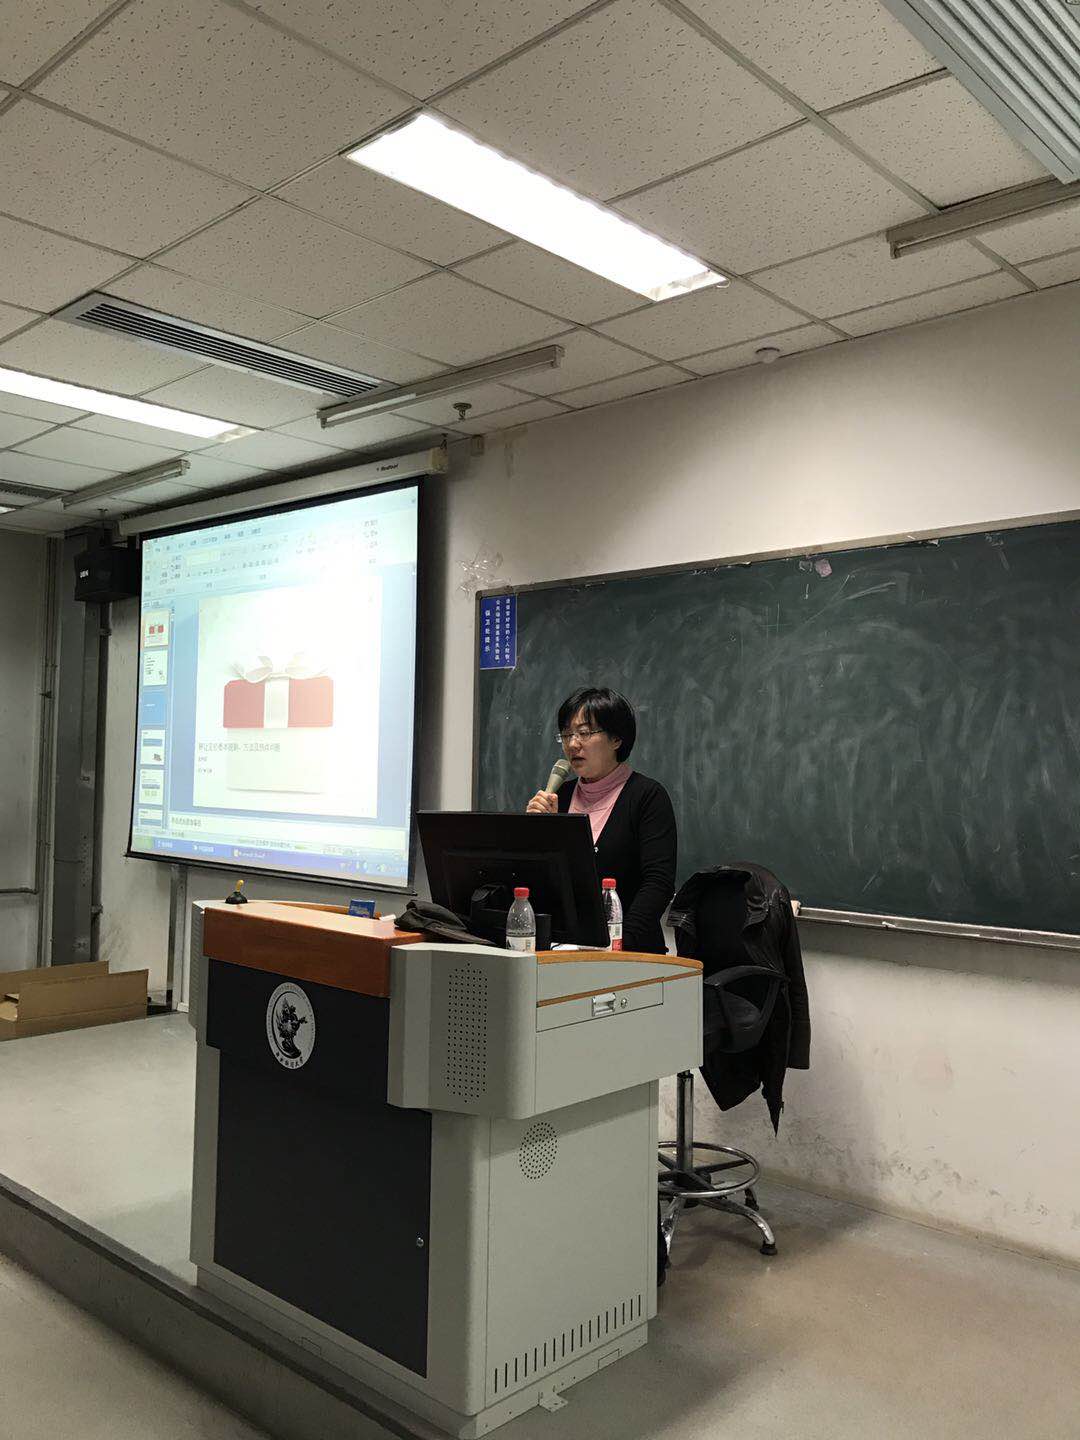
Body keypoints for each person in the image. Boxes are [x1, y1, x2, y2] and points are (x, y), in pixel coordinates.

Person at [526, 687, 677, 954]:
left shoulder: (646, 796)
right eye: (566, 734)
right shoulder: (560, 797)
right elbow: (548, 883)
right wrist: (537, 834)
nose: (573, 744)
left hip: (630, 954)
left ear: (616, 738)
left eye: (584, 733)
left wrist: (619, 944)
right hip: (561, 948)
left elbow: (658, 883)